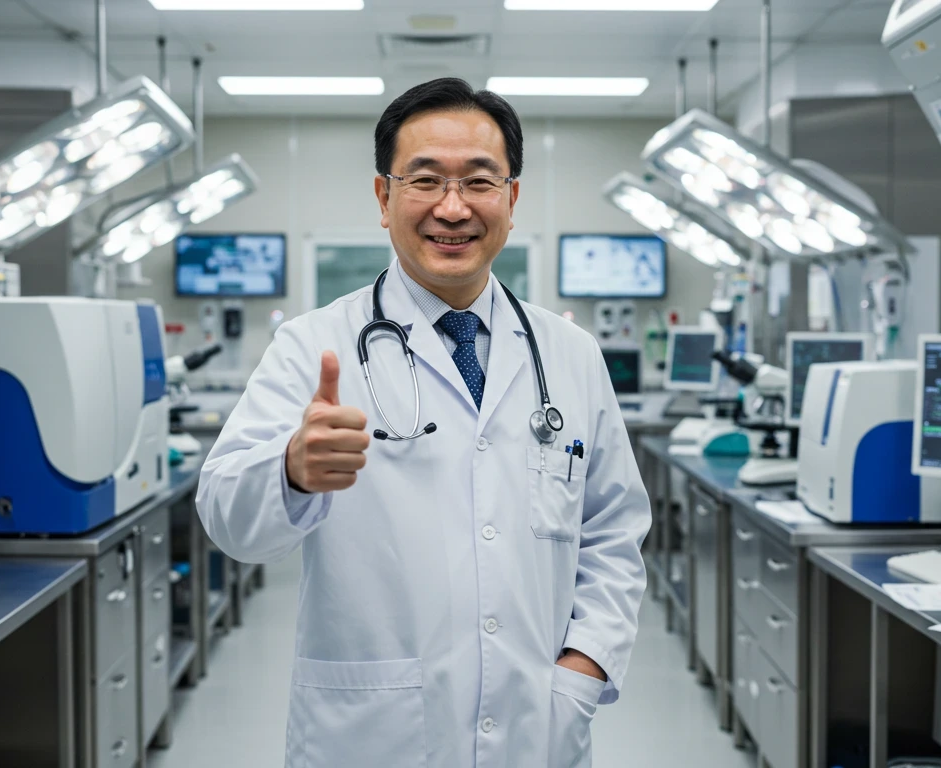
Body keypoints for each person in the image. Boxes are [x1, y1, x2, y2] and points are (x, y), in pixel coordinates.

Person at [196, 77, 650, 768]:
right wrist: (289, 470)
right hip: (373, 733)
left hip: (538, 729)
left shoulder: (571, 357)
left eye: (479, 181)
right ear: (384, 197)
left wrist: (583, 670)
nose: (453, 207)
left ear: (512, 198)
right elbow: (228, 521)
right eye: (426, 179)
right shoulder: (313, 345)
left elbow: (614, 534)